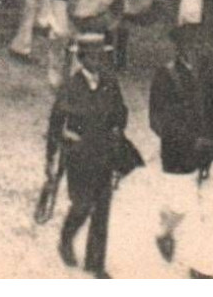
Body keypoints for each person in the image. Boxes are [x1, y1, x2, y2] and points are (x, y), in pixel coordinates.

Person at [46, 31, 141, 279]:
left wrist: (117, 129)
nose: (97, 61)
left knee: (102, 209)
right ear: (82, 58)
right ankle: (66, 238)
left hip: (104, 153)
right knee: (82, 205)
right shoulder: (70, 86)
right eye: (92, 57)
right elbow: (56, 123)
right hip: (79, 156)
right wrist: (52, 159)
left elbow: (121, 112)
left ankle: (95, 263)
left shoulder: (110, 82)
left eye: (101, 57)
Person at [148, 23, 213, 278]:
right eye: (195, 46)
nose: (201, 50)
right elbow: (157, 122)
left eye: (204, 45)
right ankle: (166, 231)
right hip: (180, 154)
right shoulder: (165, 76)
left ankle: (201, 269)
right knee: (181, 206)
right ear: (182, 49)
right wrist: (189, 140)